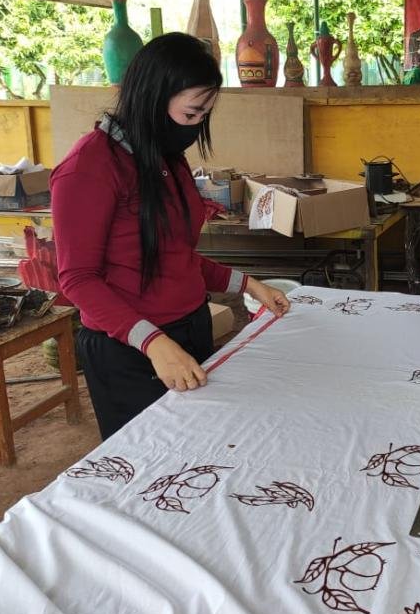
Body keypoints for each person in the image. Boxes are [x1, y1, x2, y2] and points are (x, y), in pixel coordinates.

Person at [51, 33, 290, 440]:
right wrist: (154, 344)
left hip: (188, 329)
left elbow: (173, 255)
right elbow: (77, 279)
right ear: (152, 98)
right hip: (130, 349)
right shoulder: (89, 168)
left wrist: (248, 284)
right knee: (149, 460)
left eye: (205, 116)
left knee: (202, 446)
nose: (197, 128)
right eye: (192, 114)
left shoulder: (163, 159)